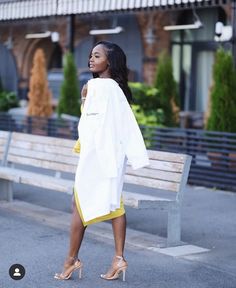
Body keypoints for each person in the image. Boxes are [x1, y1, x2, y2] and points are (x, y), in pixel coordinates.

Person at [54, 41, 149, 282]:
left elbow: (88, 125)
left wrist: (84, 98)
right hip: (109, 157)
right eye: (90, 56)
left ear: (110, 61)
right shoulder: (115, 88)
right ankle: (118, 258)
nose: (91, 59)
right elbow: (120, 125)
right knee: (113, 204)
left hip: (96, 157)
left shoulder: (97, 86)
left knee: (80, 204)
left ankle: (71, 260)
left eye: (97, 56)